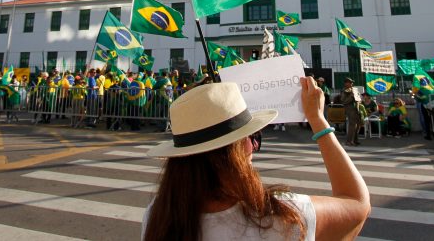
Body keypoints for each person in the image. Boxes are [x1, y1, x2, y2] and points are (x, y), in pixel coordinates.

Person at [142, 77, 371, 240]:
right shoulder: (281, 218)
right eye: (252, 137)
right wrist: (318, 120)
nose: (253, 145)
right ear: (234, 151)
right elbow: (357, 204)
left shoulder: (158, 215)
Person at [340, 77, 361, 146]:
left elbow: (358, 99)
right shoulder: (345, 91)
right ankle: (349, 141)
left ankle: (355, 140)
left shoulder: (353, 89)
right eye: (350, 82)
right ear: (346, 83)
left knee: (357, 125)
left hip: (356, 108)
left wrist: (358, 98)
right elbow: (343, 101)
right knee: (352, 125)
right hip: (350, 109)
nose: (351, 83)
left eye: (352, 82)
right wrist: (351, 97)